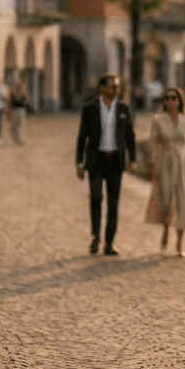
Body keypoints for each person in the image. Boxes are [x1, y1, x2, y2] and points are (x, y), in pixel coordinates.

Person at [75, 73, 137, 255]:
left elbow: (130, 137)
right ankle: (95, 236)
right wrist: (79, 162)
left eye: (117, 87)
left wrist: (132, 159)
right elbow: (82, 137)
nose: (116, 90)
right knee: (95, 197)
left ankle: (109, 242)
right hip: (96, 160)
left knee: (113, 203)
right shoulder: (89, 108)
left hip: (115, 161)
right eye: (112, 87)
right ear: (101, 88)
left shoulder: (124, 109)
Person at [145, 86, 185, 257]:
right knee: (166, 198)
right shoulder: (158, 119)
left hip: (184, 161)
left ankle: (179, 242)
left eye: (174, 98)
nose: (170, 101)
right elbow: (154, 142)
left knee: (183, 200)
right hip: (165, 160)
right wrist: (153, 163)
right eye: (167, 98)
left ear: (180, 100)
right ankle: (165, 229)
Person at [8, 80, 31, 145]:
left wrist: (24, 95)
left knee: (20, 124)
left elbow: (27, 102)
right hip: (15, 110)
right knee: (15, 125)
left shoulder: (23, 93)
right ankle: (16, 137)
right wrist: (9, 113)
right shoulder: (13, 93)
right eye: (19, 86)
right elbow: (10, 102)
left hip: (22, 110)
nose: (20, 87)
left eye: (21, 86)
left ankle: (19, 138)